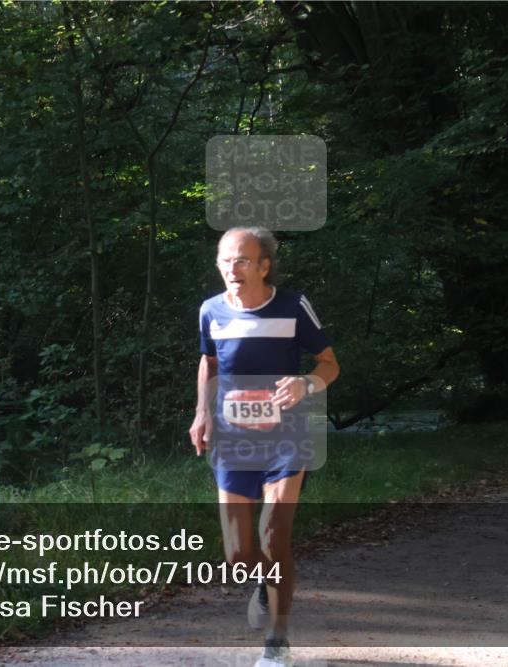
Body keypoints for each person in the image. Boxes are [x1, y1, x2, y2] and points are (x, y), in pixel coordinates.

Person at [189, 227, 340, 667]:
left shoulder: (294, 306)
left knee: (274, 536)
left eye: (242, 260)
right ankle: (262, 582)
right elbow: (209, 362)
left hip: (287, 437)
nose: (232, 269)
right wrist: (201, 413)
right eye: (225, 260)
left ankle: (277, 642)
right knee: (238, 554)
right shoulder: (210, 310)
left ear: (264, 265)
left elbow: (330, 364)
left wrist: (307, 383)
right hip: (234, 439)